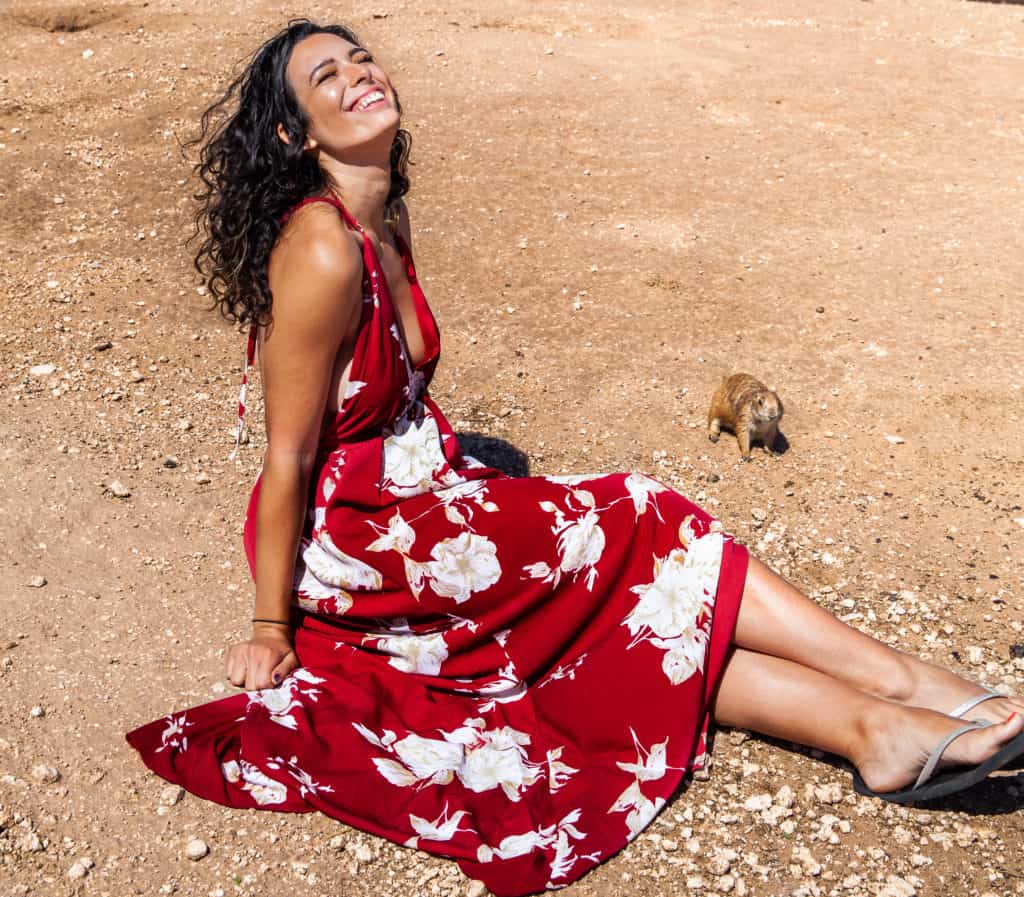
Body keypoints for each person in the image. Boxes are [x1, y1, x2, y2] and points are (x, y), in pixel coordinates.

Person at [125, 19, 1024, 897]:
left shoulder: (385, 209)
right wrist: (273, 629)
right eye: (326, 79)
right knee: (639, 511)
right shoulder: (320, 247)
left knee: (615, 629)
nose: (360, 75)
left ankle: (876, 730)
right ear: (295, 132)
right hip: (355, 541)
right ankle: (905, 681)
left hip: (417, 495)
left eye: (363, 59)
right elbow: (286, 459)